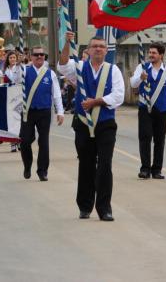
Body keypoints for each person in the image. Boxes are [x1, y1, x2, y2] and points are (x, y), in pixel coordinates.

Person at [58, 32, 124, 222]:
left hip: (105, 123)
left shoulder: (113, 70)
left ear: (106, 50)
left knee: (105, 164)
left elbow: (119, 95)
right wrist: (67, 43)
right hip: (83, 124)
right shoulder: (78, 68)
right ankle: (85, 206)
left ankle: (104, 208)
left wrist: (96, 101)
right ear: (87, 50)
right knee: (86, 164)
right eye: (94, 46)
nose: (98, 49)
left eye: (102, 46)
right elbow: (62, 65)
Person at [130, 43, 166, 180]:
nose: (151, 55)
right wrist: (140, 78)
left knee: (159, 140)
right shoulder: (141, 68)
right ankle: (145, 169)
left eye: (154, 53)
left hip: (162, 109)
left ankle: (157, 170)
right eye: (150, 52)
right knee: (145, 138)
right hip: (144, 108)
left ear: (161, 55)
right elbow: (133, 84)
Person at [20, 46, 65, 181]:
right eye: (36, 55)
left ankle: (42, 170)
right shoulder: (24, 71)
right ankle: (27, 165)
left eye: (42, 54)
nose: (39, 56)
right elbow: (12, 77)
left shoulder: (50, 73)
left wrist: (60, 111)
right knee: (25, 141)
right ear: (31, 56)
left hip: (44, 111)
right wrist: (19, 64)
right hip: (28, 111)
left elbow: (56, 94)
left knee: (44, 142)